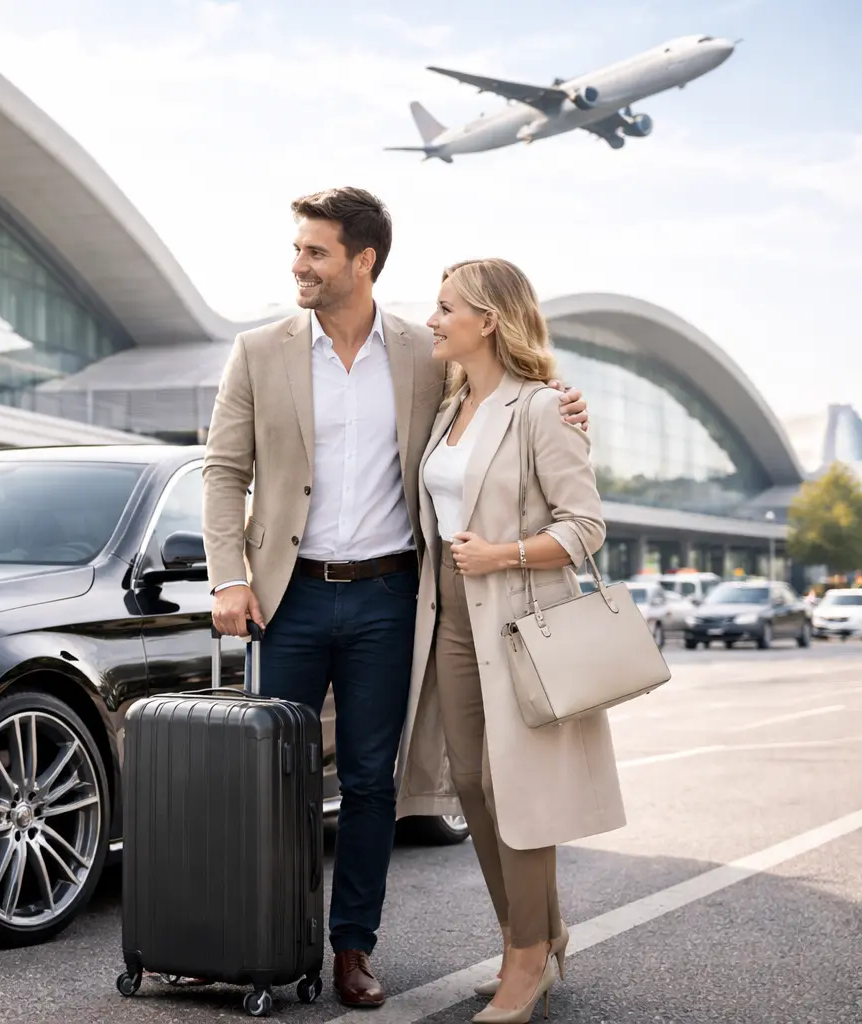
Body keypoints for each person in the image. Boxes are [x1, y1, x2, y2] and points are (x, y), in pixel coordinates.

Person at [201, 187, 588, 1008]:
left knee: (375, 784)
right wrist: (229, 576)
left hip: (390, 599)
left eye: (315, 251)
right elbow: (223, 470)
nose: (297, 265)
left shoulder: (422, 352)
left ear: (363, 260)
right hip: (286, 601)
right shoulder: (260, 351)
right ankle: (271, 943)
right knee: (273, 782)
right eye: (298, 249)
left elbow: (507, 398)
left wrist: (568, 402)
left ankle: (352, 949)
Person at [398, 258, 626, 1023]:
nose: (432, 319)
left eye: (444, 307)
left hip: (520, 621)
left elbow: (587, 526)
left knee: (515, 788)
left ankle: (526, 961)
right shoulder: (448, 407)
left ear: (487, 320)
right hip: (451, 624)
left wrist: (504, 554)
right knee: (469, 784)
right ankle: (535, 933)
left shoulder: (541, 408)